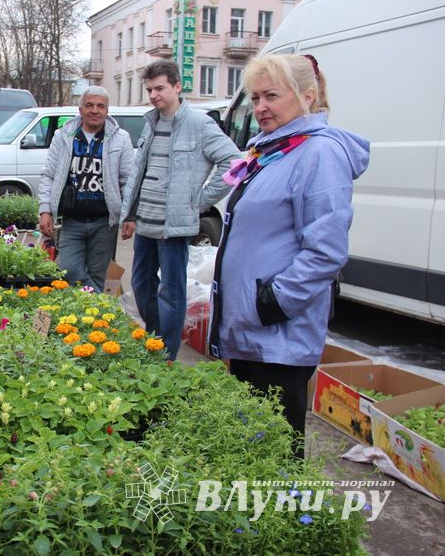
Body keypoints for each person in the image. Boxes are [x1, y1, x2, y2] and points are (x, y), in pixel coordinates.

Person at [208, 54, 369, 457]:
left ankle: (284, 514)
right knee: (254, 447)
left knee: (277, 453)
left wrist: (272, 303)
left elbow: (326, 251)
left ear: (307, 97)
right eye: (255, 97)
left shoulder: (319, 154)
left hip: (278, 335)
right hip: (252, 328)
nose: (260, 107)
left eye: (271, 96)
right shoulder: (275, 149)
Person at [119, 59, 240, 361]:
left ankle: (166, 355)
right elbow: (140, 173)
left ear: (177, 86)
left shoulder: (199, 124)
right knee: (141, 284)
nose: (154, 95)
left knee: (171, 293)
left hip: (173, 227)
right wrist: (130, 214)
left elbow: (235, 164)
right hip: (146, 221)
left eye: (159, 88)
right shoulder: (152, 122)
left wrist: (197, 203)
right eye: (149, 89)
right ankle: (155, 339)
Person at [38, 86, 136, 291]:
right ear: (80, 109)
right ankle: (101, 309)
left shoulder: (121, 138)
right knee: (69, 271)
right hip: (72, 220)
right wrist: (45, 210)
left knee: (96, 276)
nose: (95, 110)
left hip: (104, 222)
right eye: (89, 105)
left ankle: (89, 320)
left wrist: (129, 216)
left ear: (107, 110)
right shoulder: (64, 136)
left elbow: (128, 181)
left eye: (101, 106)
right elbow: (48, 175)